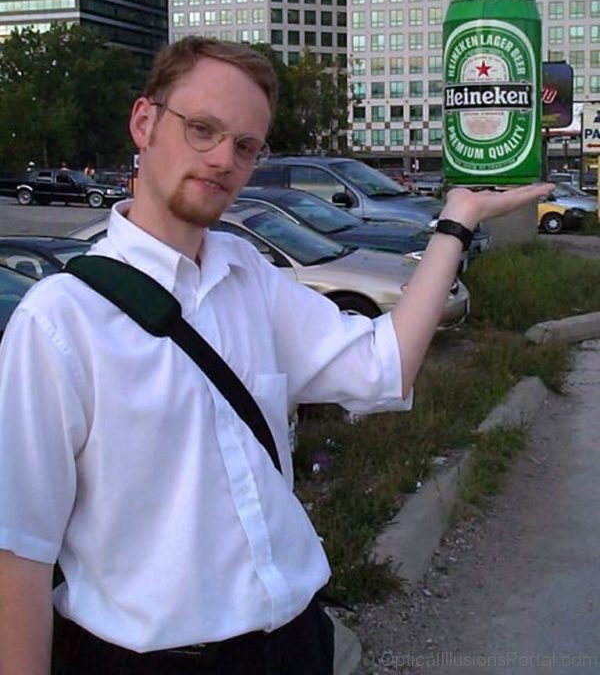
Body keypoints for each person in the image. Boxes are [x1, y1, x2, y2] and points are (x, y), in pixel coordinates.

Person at [0, 37, 553, 675]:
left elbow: (384, 365)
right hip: (153, 659)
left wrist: (455, 222)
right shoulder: (60, 320)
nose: (221, 160)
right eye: (201, 129)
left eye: (245, 146)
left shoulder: (249, 277)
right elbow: (20, 551)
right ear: (145, 122)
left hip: (296, 644)